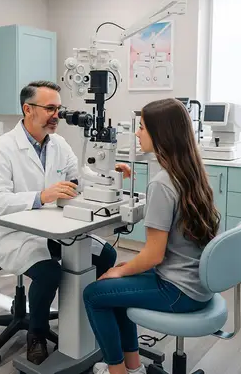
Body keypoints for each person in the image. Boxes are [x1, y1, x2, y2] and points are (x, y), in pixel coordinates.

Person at [0, 80, 129, 365]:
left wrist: (108, 172)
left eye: (59, 109)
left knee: (107, 255)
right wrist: (40, 196)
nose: (57, 116)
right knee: (50, 274)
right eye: (50, 108)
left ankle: (89, 316)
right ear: (28, 109)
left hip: (57, 228)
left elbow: (78, 179)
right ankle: (36, 333)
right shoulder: (1, 149)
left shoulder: (59, 144)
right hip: (15, 234)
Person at [83, 98, 221, 374]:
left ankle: (117, 371)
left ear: (161, 135)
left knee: (94, 294)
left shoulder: (162, 183)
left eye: (143, 128)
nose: (137, 133)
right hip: (197, 284)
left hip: (178, 290)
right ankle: (134, 368)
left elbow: (154, 254)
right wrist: (125, 272)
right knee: (118, 286)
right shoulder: (192, 173)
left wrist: (121, 273)